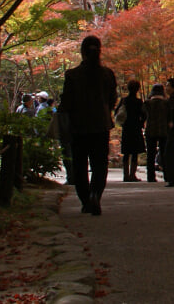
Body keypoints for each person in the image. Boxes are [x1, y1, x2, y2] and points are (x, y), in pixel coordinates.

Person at [59, 35, 118, 215]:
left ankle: (85, 200)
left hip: (78, 126)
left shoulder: (72, 75)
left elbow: (66, 102)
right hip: (101, 124)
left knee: (80, 164)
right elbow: (113, 99)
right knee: (100, 164)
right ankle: (95, 195)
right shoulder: (107, 74)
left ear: (82, 52)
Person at [118, 80, 146, 182]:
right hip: (136, 128)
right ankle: (132, 175)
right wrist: (141, 123)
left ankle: (125, 175)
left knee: (126, 152)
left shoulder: (124, 100)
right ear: (137, 89)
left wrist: (122, 123)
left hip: (126, 128)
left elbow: (117, 112)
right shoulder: (139, 102)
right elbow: (144, 114)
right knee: (134, 152)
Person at [143, 83, 169, 183]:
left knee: (150, 154)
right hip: (164, 130)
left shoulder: (147, 103)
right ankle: (167, 175)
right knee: (164, 153)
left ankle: (150, 176)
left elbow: (143, 116)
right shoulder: (166, 103)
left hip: (150, 130)